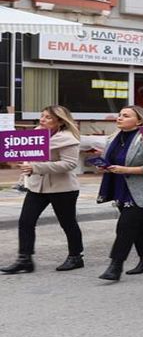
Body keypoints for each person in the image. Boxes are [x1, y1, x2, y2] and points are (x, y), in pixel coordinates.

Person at [0, 106, 84, 274]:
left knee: (67, 223)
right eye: (42, 116)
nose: (42, 119)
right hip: (37, 187)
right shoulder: (35, 136)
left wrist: (36, 167)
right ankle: (24, 259)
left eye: (48, 117)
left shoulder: (68, 138)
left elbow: (69, 164)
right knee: (25, 221)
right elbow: (28, 155)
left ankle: (76, 256)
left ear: (60, 121)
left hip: (62, 189)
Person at [96, 106, 143, 281]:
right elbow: (111, 160)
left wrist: (128, 169)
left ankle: (115, 266)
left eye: (125, 116)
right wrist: (103, 165)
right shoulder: (113, 138)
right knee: (137, 225)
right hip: (120, 187)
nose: (119, 118)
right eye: (119, 115)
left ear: (139, 120)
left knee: (125, 226)